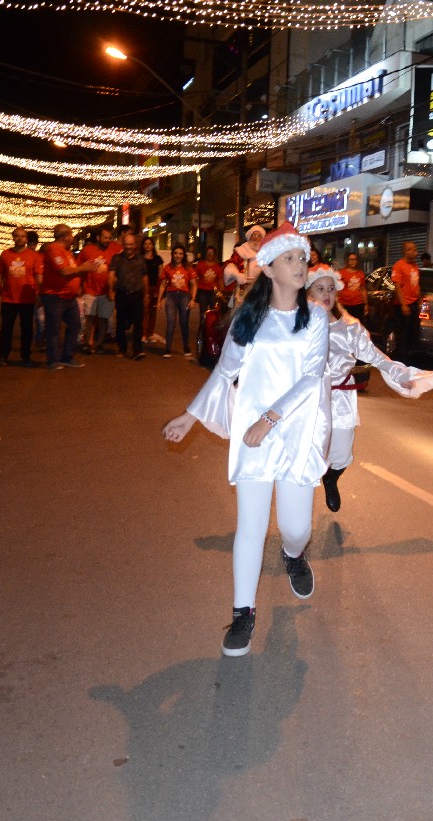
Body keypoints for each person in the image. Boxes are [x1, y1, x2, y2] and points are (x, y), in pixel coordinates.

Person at [162, 223, 330, 657]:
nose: (300, 265)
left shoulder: (315, 317)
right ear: (269, 268)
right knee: (251, 527)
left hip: (293, 432)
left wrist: (271, 419)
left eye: (302, 258)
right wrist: (190, 415)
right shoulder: (249, 320)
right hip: (254, 437)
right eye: (290, 259)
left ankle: (293, 556)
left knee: (296, 528)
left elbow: (312, 378)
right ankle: (242, 613)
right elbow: (224, 373)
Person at [305, 268, 433, 513]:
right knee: (305, 455)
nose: (326, 294)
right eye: (319, 289)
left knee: (342, 454)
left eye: (330, 289)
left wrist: (401, 375)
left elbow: (375, 356)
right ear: (308, 293)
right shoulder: (298, 325)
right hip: (308, 400)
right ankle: (297, 518)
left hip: (341, 398)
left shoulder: (349, 327)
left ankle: (331, 479)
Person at [40, 224, 98, 370]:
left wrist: (82, 273)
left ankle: (67, 357)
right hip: (55, 296)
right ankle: (53, 360)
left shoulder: (66, 252)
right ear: (65, 236)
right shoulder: (54, 249)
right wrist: (83, 268)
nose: (73, 238)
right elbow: (64, 271)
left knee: (75, 325)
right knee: (54, 329)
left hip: (69, 297)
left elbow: (72, 271)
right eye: (71, 235)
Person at [0, 226, 44, 367]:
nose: (19, 239)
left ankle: (25, 356)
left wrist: (40, 293)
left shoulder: (34, 256)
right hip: (8, 298)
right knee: (6, 328)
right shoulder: (5, 254)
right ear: (13, 237)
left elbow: (38, 276)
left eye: (22, 236)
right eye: (17, 236)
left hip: (27, 298)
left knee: (27, 328)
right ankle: (3, 356)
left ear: (26, 239)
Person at [108, 233, 149, 360]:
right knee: (120, 323)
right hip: (122, 294)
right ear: (123, 244)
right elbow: (111, 275)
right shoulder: (117, 258)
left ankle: (137, 350)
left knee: (138, 323)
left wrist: (146, 294)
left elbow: (145, 277)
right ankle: (122, 348)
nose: (129, 247)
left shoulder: (140, 259)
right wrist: (110, 290)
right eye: (126, 244)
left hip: (136, 294)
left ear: (135, 245)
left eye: (131, 244)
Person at [77, 226, 116, 355]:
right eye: (105, 237)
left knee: (104, 318)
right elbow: (79, 268)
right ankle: (89, 343)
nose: (108, 240)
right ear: (98, 238)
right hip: (90, 289)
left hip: (106, 292)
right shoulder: (87, 250)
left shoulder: (114, 251)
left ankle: (99, 344)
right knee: (90, 318)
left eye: (109, 238)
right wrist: (79, 285)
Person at [160, 246, 197, 358]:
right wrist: (159, 300)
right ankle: (167, 349)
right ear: (172, 254)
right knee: (171, 322)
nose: (178, 256)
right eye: (176, 253)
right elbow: (162, 285)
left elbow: (194, 284)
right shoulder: (167, 267)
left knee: (184, 323)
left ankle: (186, 346)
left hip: (184, 297)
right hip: (171, 296)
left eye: (180, 253)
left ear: (183, 255)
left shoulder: (188, 268)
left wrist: (193, 299)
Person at [391, 241, 422, 356]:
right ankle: (400, 360)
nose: (416, 253)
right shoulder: (399, 266)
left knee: (413, 333)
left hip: (413, 304)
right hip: (402, 306)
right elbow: (397, 286)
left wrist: (419, 300)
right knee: (401, 334)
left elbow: (416, 284)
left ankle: (410, 359)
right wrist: (403, 304)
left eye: (416, 250)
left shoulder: (415, 267)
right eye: (413, 250)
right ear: (405, 251)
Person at [224, 224, 265, 308]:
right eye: (254, 235)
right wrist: (236, 274)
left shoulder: (268, 252)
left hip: (263, 293)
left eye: (259, 235)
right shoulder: (241, 251)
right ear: (249, 237)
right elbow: (230, 265)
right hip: (244, 294)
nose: (256, 238)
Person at [140, 237, 164, 344]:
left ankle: (150, 333)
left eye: (150, 243)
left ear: (153, 245)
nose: (147, 246)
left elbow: (160, 275)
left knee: (153, 312)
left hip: (154, 287)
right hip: (143, 288)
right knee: (144, 311)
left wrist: (158, 291)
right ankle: (143, 333)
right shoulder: (140, 258)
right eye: (145, 243)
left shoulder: (158, 259)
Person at [336, 251, 367, 323]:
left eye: (354, 259)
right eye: (350, 259)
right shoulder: (341, 273)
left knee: (357, 324)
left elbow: (363, 289)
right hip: (345, 304)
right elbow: (338, 289)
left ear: (357, 261)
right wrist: (337, 303)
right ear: (347, 261)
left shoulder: (360, 274)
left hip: (358, 304)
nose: (352, 261)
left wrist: (366, 304)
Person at [193, 245, 222, 317]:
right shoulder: (200, 264)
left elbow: (220, 280)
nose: (210, 255)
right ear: (206, 254)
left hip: (213, 292)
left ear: (214, 255)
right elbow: (195, 277)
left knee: (213, 310)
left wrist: (221, 292)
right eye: (208, 253)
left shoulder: (217, 267)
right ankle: (202, 326)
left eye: (212, 253)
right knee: (203, 311)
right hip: (202, 291)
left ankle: (211, 326)